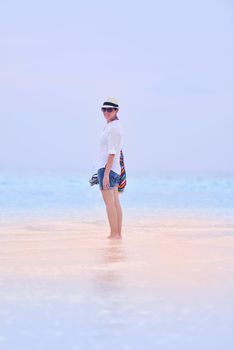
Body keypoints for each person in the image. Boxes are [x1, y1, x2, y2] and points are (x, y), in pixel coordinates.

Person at [96, 97, 123, 240]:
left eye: (110, 110)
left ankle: (114, 234)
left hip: (108, 168)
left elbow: (112, 152)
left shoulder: (113, 128)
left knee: (109, 203)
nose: (106, 112)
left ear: (116, 110)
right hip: (112, 168)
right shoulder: (112, 125)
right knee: (115, 202)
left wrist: (105, 174)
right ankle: (117, 234)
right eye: (104, 109)